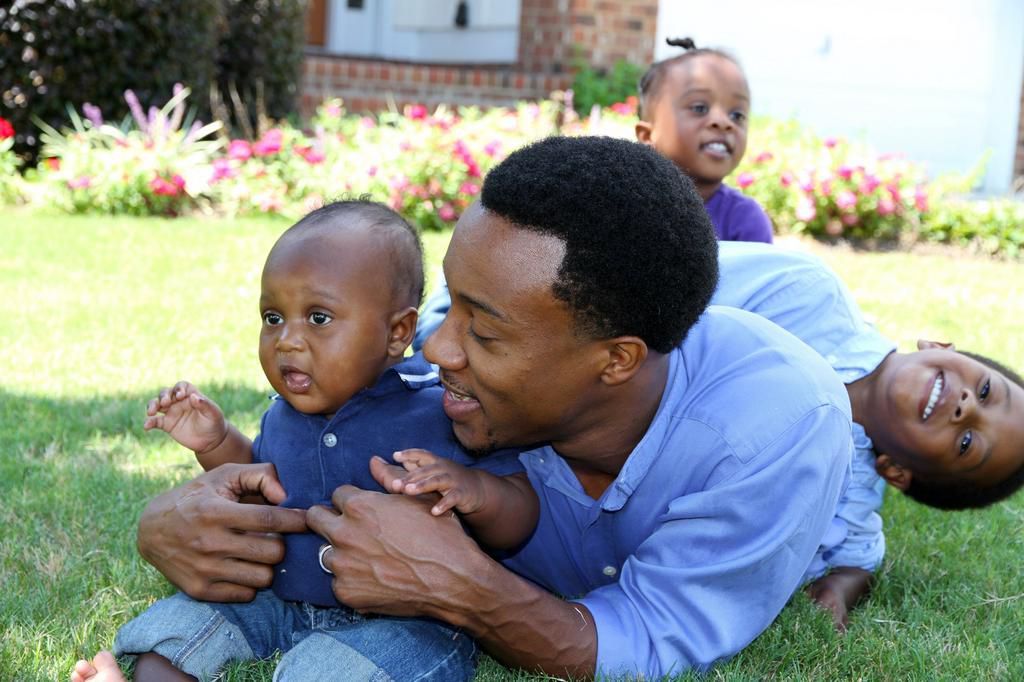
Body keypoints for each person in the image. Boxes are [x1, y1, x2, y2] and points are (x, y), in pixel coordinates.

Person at [129, 136, 852, 679]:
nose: (438, 347)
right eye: (450, 306)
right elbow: (318, 421)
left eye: (482, 328)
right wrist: (169, 518)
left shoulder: (773, 430)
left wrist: (461, 590)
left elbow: (649, 635)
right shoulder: (480, 344)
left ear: (616, 360)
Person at [414, 239, 1024, 630]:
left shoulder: (847, 483)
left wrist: (839, 589)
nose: (966, 406)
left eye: (969, 442)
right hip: (521, 349)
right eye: (988, 391)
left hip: (535, 480)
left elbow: (860, 553)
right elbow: (660, 276)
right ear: (940, 345)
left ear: (898, 473)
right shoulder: (804, 294)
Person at [71, 200, 533, 682]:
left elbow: (520, 515)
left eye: (318, 318)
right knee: (186, 626)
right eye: (273, 317)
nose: (287, 340)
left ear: (397, 332)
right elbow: (261, 490)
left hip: (404, 618)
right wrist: (214, 442)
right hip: (280, 599)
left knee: (338, 671)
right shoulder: (285, 413)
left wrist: (474, 492)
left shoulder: (438, 410)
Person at [635, 36, 774, 243]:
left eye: (737, 115)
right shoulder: (630, 205)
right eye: (699, 108)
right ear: (647, 136)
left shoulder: (745, 221)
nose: (723, 122)